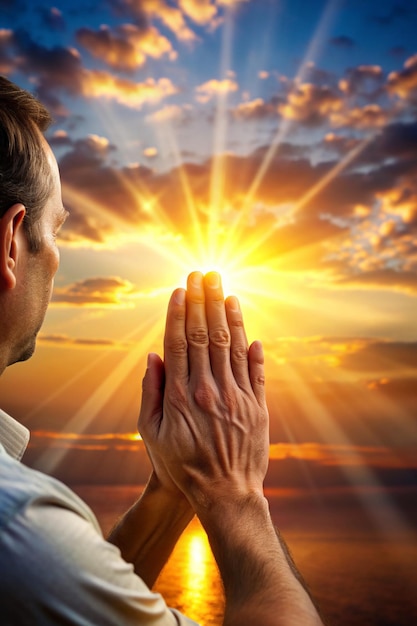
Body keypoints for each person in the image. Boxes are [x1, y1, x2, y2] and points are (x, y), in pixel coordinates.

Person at [0, 75, 324, 626]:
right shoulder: (20, 524)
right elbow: (39, 562)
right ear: (12, 242)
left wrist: (171, 491)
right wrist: (234, 493)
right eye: (57, 230)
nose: (56, 258)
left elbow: (68, 602)